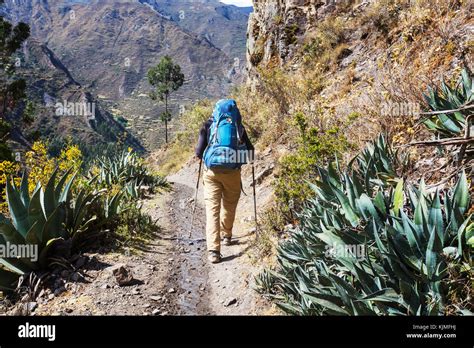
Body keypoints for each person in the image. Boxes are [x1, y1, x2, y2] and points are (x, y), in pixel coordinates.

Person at [195, 99, 254, 264]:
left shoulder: (208, 125)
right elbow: (250, 153)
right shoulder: (238, 127)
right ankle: (226, 235)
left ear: (216, 111)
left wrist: (207, 157)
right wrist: (236, 159)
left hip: (211, 174)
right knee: (229, 205)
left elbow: (199, 152)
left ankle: (214, 251)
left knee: (212, 211)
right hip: (232, 173)